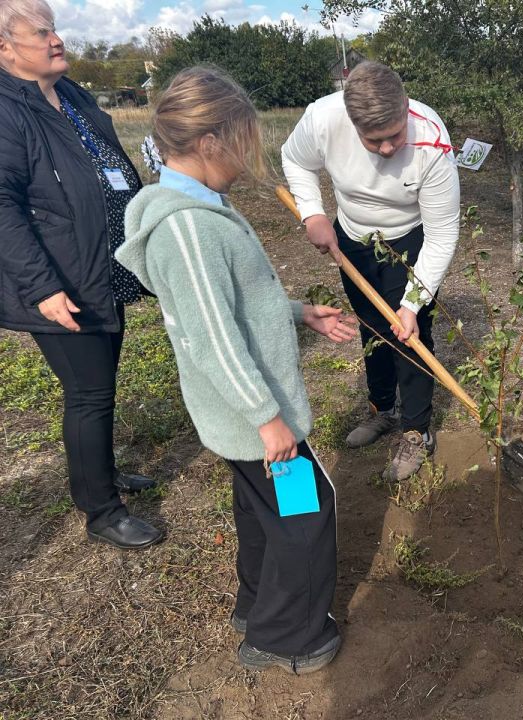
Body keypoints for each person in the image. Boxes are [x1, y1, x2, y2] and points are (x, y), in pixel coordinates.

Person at [117, 66, 357, 674]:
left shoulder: (199, 207)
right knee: (307, 511)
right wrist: (268, 418)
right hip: (255, 415)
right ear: (210, 142)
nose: (252, 155)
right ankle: (288, 638)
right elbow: (213, 336)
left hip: (244, 414)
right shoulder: (189, 229)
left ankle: (257, 606)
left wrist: (299, 313)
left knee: (261, 513)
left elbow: (233, 303)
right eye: (246, 140)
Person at [0, 0, 161, 549]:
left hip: (99, 266)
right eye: (41, 31)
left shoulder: (70, 95)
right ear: (5, 47)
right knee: (88, 393)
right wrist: (43, 286)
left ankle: (102, 474)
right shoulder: (6, 109)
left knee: (101, 386)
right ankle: (100, 510)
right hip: (60, 277)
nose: (55, 39)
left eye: (55, 28)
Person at [281, 61, 460, 482]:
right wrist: (312, 213)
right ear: (351, 121)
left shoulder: (431, 140)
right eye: (373, 140)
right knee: (372, 327)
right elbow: (295, 159)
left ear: (406, 109)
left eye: (394, 136)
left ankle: (416, 430)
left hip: (408, 241)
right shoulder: (323, 119)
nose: (385, 149)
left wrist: (414, 303)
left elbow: (442, 233)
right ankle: (382, 410)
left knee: (409, 334)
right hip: (352, 239)